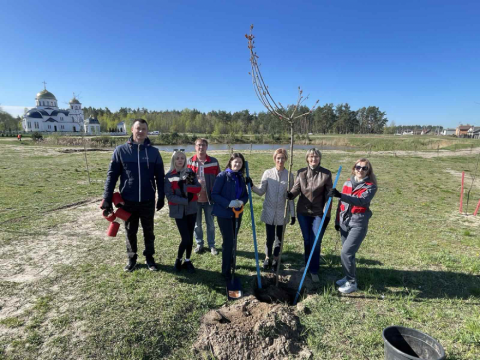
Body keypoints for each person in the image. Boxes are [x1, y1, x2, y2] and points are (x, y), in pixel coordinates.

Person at [101, 119, 165, 272]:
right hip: (127, 201)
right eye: (138, 128)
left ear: (147, 131)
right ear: (132, 129)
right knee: (130, 231)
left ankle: (149, 258)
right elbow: (112, 176)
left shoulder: (154, 152)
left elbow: (160, 177)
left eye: (144, 129)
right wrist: (107, 198)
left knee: (149, 231)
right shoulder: (121, 151)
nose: (141, 131)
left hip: (148, 199)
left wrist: (161, 196)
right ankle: (132, 258)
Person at [328, 158, 377, 294]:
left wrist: (340, 195)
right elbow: (341, 205)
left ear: (368, 171)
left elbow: (361, 201)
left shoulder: (371, 186)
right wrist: (337, 221)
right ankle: (349, 276)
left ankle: (352, 283)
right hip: (344, 222)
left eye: (364, 168)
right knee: (349, 254)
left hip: (358, 223)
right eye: (358, 167)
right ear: (353, 168)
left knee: (346, 253)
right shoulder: (347, 183)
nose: (360, 170)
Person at [245, 148, 295, 271]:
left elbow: (291, 197)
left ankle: (276, 259)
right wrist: (251, 185)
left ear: (286, 159)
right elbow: (261, 191)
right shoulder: (268, 173)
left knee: (279, 238)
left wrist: (293, 214)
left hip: (282, 213)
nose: (280, 160)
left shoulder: (289, 176)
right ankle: (267, 257)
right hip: (269, 211)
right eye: (278, 158)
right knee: (270, 237)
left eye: (283, 158)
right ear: (274, 159)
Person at [287, 148, 332, 282]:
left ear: (319, 159)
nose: (314, 159)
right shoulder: (301, 172)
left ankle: (314, 270)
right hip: (303, 212)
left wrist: (327, 208)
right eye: (311, 157)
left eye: (316, 157)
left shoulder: (326, 174)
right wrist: (290, 195)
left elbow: (329, 193)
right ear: (307, 159)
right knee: (307, 240)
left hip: (318, 213)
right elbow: (296, 188)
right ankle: (306, 265)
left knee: (315, 241)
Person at [211, 153, 249, 281]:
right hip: (224, 213)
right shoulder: (222, 176)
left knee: (234, 239)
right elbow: (214, 194)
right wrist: (228, 203)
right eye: (235, 162)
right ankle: (225, 270)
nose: (237, 164)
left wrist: (242, 201)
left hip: (237, 213)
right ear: (230, 162)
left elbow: (245, 195)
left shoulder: (241, 177)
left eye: (240, 163)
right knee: (228, 241)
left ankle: (232, 261)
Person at [165, 150, 202, 273]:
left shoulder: (189, 172)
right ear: (173, 160)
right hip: (178, 211)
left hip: (192, 210)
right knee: (185, 238)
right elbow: (170, 196)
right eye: (177, 158)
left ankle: (187, 260)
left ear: (185, 160)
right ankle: (178, 259)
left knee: (190, 237)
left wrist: (186, 187)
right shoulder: (169, 176)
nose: (180, 160)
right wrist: (185, 200)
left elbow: (198, 188)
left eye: (182, 158)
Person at [187, 138, 221, 255]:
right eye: (198, 145)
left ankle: (212, 245)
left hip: (209, 199)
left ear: (207, 147)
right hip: (195, 200)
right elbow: (187, 181)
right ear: (195, 147)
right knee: (197, 224)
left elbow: (219, 180)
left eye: (203, 145)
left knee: (210, 224)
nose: (201, 147)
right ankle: (199, 244)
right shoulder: (190, 161)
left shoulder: (213, 162)